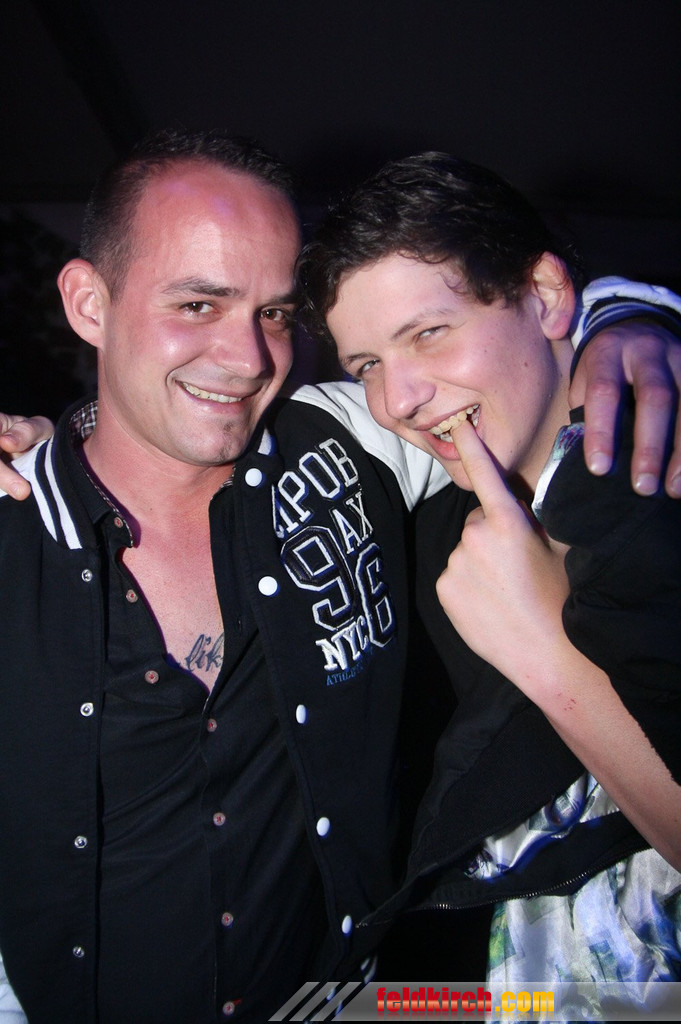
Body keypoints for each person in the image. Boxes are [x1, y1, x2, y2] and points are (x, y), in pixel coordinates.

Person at [0, 131, 680, 1023]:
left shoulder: (350, 441)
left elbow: (518, 368)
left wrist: (632, 321)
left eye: (275, 313)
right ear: (89, 303)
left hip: (382, 1001)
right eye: (198, 304)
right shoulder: (16, 529)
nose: (248, 358)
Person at [297, 151, 681, 995]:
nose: (398, 400)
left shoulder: (657, 486)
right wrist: (69, 451)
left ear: (542, 296)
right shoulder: (434, 516)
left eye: (428, 333)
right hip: (455, 990)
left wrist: (548, 656)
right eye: (365, 365)